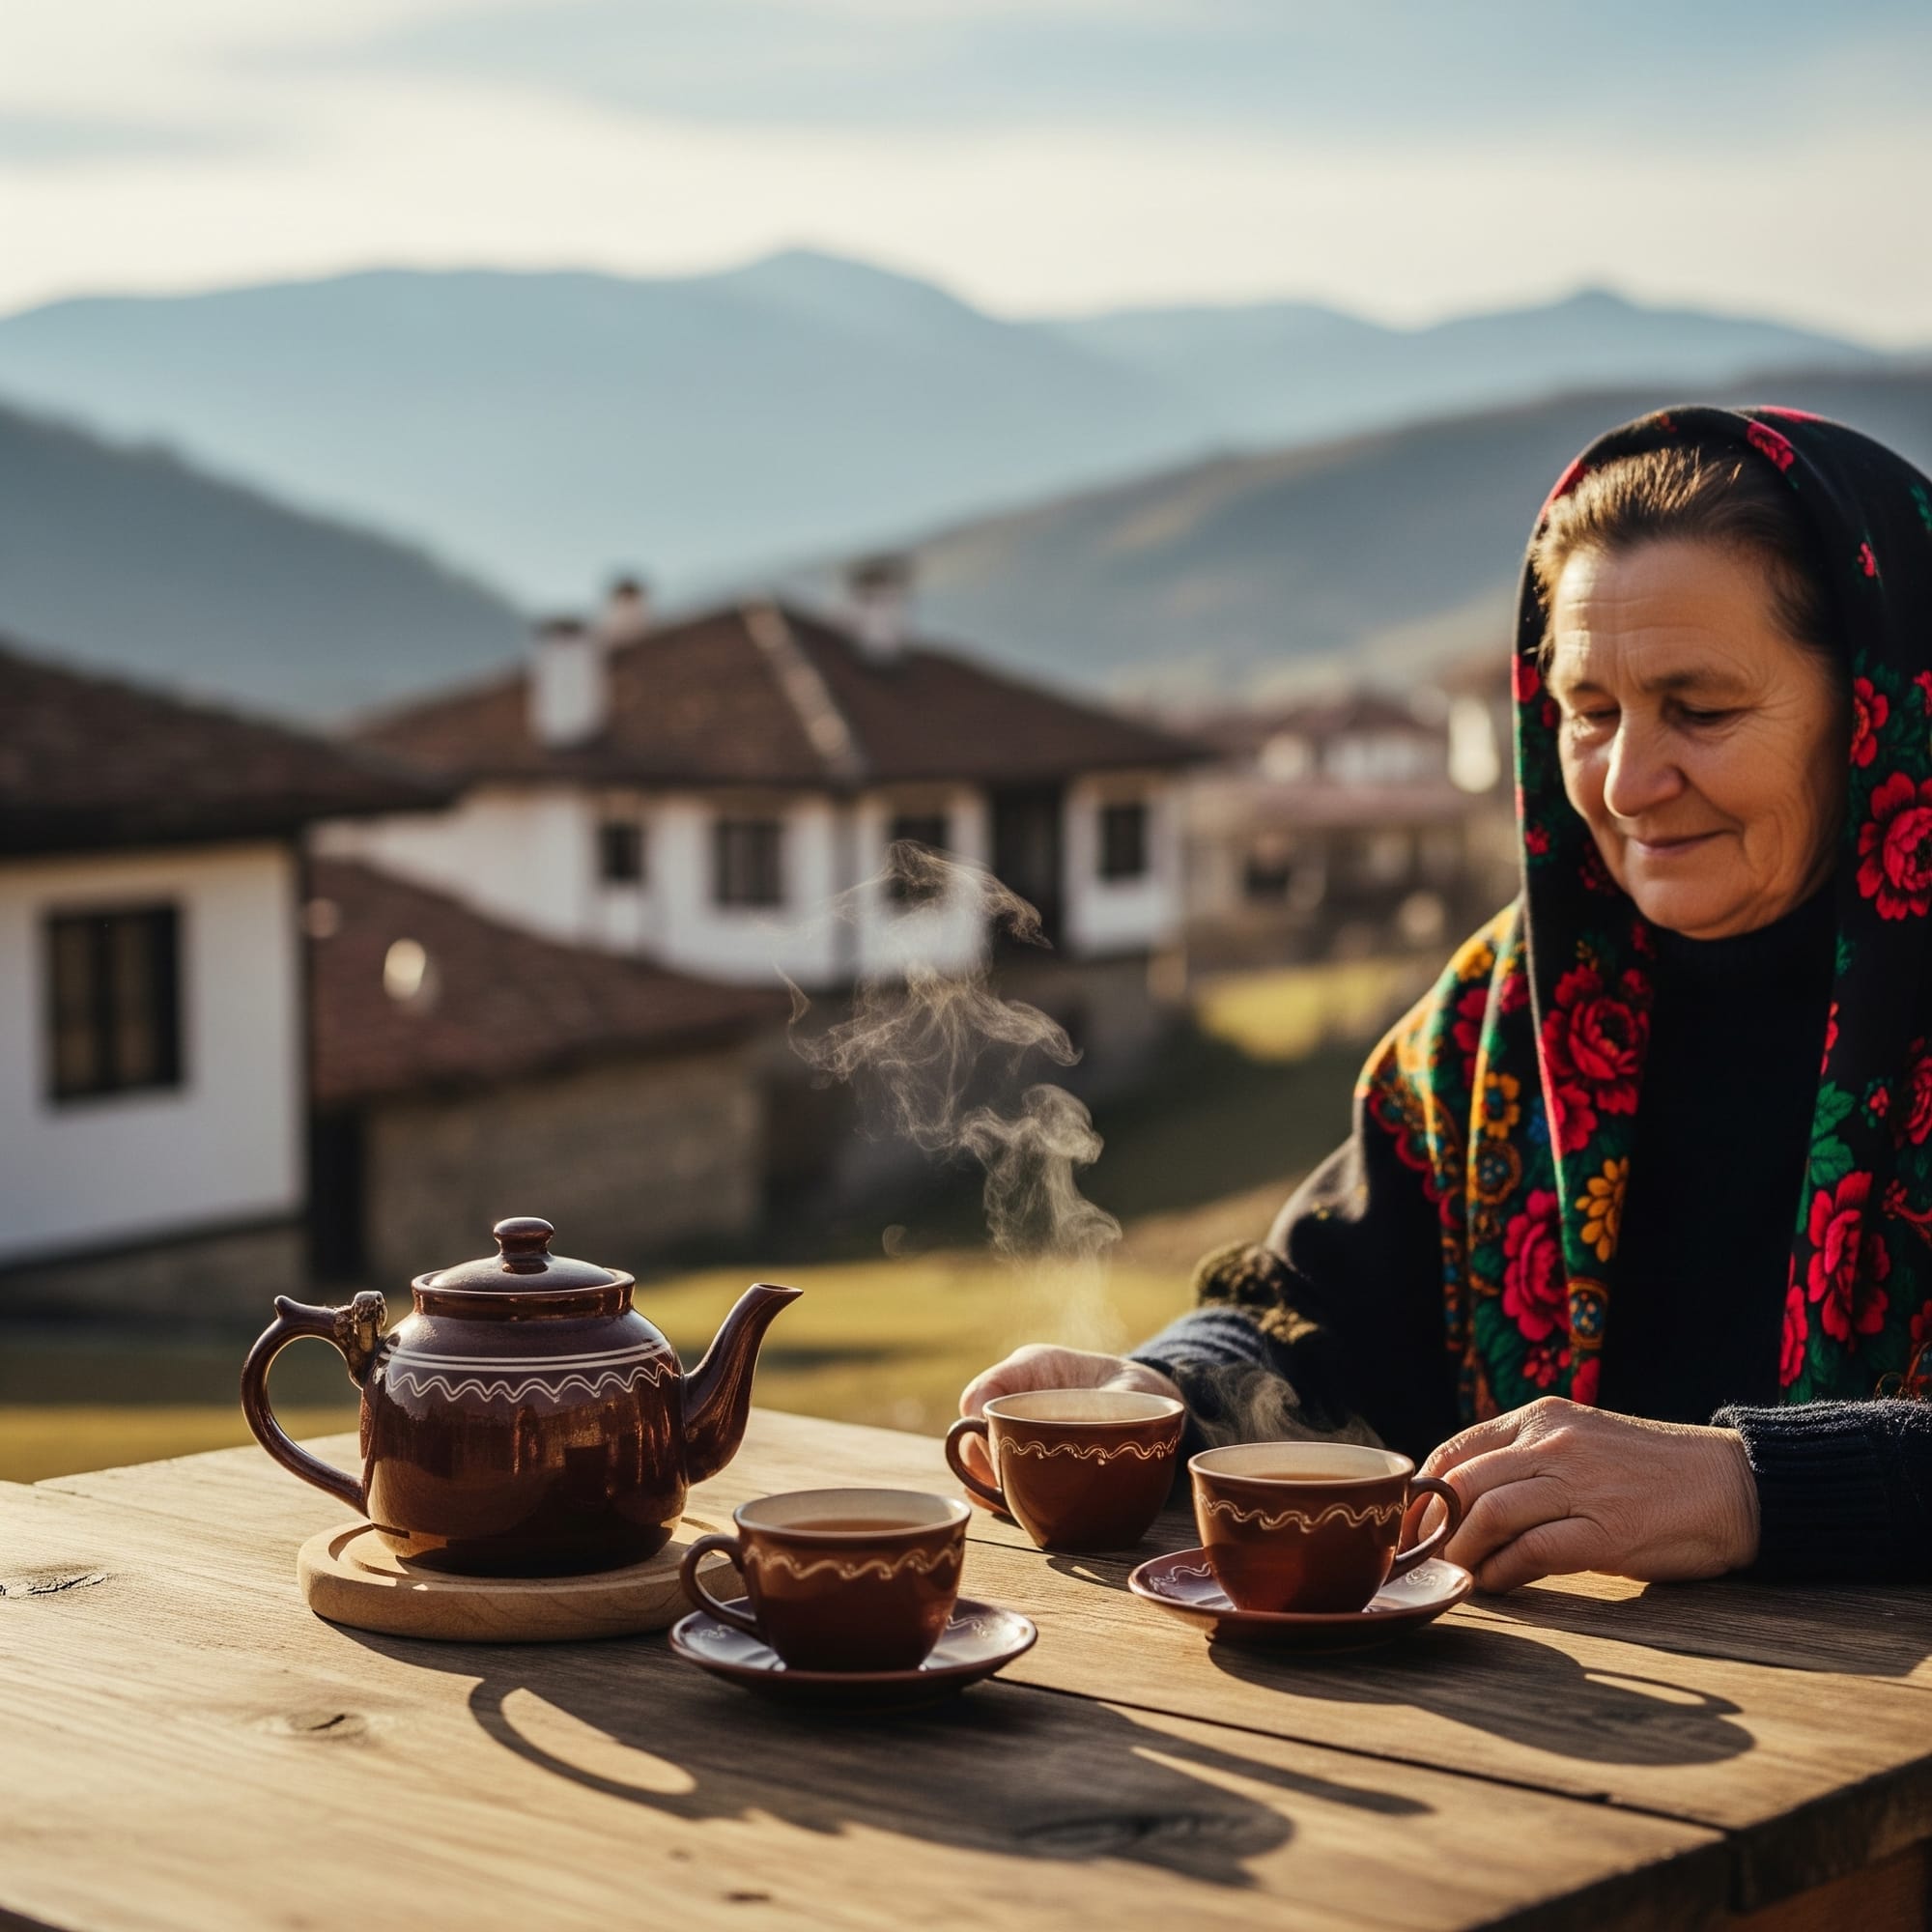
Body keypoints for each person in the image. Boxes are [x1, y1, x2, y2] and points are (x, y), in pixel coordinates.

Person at [960, 406, 1932, 1592]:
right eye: (1588, 710)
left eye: (1702, 709)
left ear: (1884, 705)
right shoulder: (1500, 1018)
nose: (1626, 782)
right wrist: (1160, 1390)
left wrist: (1748, 1482)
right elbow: (1321, 1319)